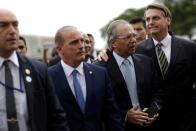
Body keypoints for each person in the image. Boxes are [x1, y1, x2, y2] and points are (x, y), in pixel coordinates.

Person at [0, 9, 70, 131]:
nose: (12, 31)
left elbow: (56, 117)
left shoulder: (38, 70)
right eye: (3, 25)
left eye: (15, 25)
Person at [48, 26, 124, 131]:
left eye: (82, 41)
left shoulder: (100, 74)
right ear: (59, 49)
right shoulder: (47, 77)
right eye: (74, 42)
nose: (82, 46)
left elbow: (111, 114)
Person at [136, 3, 196, 131]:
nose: (150, 22)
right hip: (153, 117)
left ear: (168, 20)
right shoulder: (137, 50)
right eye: (147, 19)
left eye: (155, 18)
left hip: (186, 118)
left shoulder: (189, 47)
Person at [94, 19, 162, 131]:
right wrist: (125, 115)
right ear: (113, 43)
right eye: (128, 37)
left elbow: (159, 93)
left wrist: (152, 112)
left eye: (134, 36)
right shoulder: (99, 68)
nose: (134, 40)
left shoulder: (146, 62)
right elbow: (98, 105)